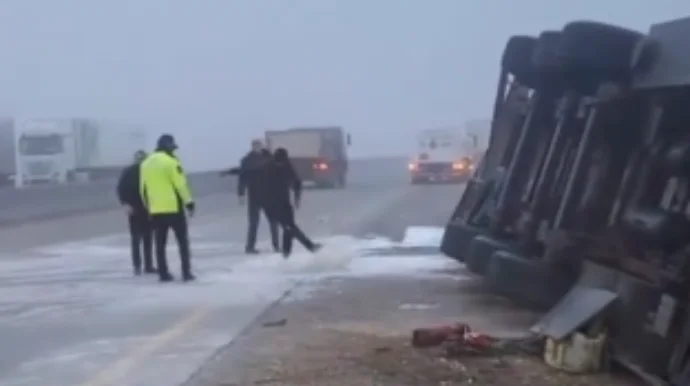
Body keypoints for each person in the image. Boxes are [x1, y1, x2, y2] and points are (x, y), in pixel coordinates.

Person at [229, 147, 322, 258]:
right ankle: (306, 248)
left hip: (284, 201)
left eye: (281, 162)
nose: (279, 164)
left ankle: (287, 252)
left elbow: (296, 182)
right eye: (277, 162)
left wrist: (297, 198)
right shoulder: (267, 166)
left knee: (289, 227)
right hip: (271, 203)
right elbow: (247, 172)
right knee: (288, 227)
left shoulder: (287, 166)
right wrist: (232, 173)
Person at [139, 134, 196, 282]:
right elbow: (180, 184)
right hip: (174, 208)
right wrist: (189, 202)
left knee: (159, 244)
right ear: (168, 147)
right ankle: (186, 272)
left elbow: (142, 188)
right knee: (182, 242)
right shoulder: (171, 162)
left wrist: (148, 207)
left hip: (156, 210)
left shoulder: (145, 163)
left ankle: (163, 273)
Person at [233, 139, 280, 254]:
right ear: (252, 147)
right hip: (254, 195)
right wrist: (241, 194)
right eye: (255, 146)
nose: (257, 148)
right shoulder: (247, 161)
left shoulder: (269, 159)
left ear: (262, 146)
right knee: (253, 222)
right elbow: (242, 178)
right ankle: (250, 247)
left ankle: (276, 246)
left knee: (274, 221)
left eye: (259, 146)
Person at [116, 150, 155, 275]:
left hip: (146, 208)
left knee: (147, 238)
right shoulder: (129, 172)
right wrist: (125, 204)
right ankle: (138, 266)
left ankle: (147, 265)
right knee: (137, 239)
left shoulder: (150, 171)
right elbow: (121, 189)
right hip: (135, 209)